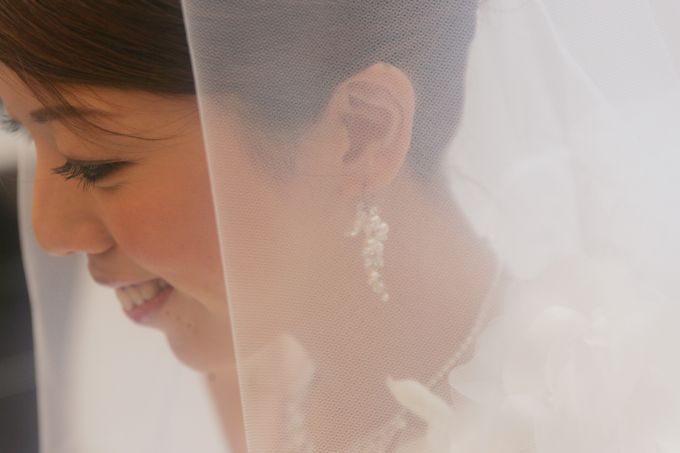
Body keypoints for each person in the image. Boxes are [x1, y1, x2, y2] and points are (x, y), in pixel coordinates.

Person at [2, 0, 680, 452]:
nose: (50, 232)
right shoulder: (254, 385)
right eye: (29, 138)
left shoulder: (625, 413)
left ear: (361, 133)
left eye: (95, 163)